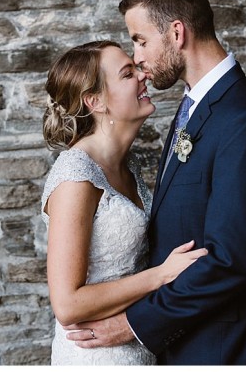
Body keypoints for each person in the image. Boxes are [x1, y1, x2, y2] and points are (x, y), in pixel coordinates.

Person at [64, 0, 246, 364]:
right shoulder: (192, 109)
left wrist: (133, 323)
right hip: (182, 347)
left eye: (141, 40)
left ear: (177, 33)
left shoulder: (244, 119)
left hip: (223, 350)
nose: (138, 57)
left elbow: (232, 261)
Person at [40, 40, 208, 365]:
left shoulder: (126, 164)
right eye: (127, 73)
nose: (143, 75)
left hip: (136, 344)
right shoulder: (76, 177)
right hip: (95, 355)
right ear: (96, 101)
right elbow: (67, 305)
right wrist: (161, 275)